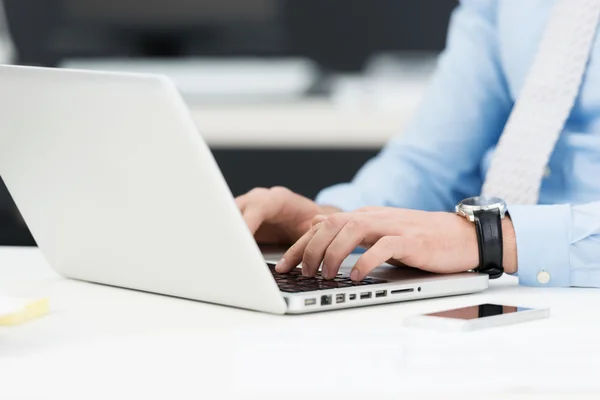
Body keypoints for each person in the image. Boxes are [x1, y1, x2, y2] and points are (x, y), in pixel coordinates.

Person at [236, 0, 600, 288]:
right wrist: (329, 221)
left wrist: (491, 239)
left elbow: (480, 238)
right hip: (510, 293)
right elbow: (432, 161)